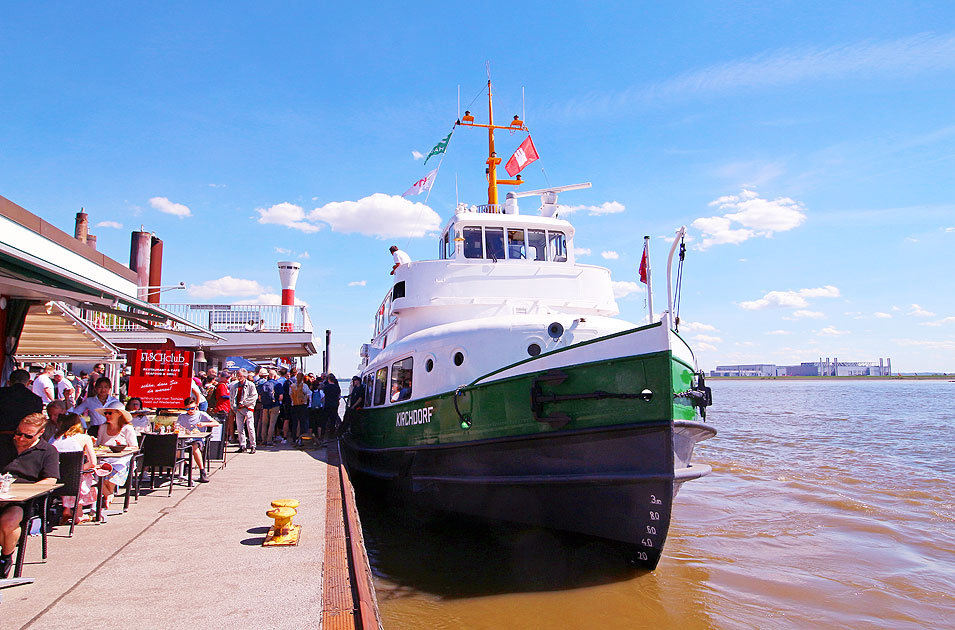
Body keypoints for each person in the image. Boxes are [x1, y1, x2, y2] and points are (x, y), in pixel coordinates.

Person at [0, 413, 59, 578]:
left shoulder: (47, 451)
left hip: (23, 501)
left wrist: (27, 490)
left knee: (8, 521)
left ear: (40, 433)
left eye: (27, 436)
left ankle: (5, 558)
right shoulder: (4, 444)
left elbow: (50, 479)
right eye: (18, 433)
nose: (20, 438)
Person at [51, 412, 97, 525]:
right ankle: (78, 514)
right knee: (84, 475)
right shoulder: (84, 438)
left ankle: (67, 508)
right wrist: (78, 470)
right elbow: (92, 463)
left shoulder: (53, 438)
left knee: (70, 474)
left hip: (55, 477)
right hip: (73, 480)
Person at [95, 401, 138, 510]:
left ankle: (107, 495)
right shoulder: (103, 427)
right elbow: (98, 445)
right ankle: (108, 494)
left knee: (114, 469)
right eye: (106, 414)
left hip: (122, 459)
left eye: (110, 413)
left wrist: (122, 447)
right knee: (95, 470)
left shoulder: (127, 428)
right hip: (104, 457)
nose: (107, 416)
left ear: (119, 414)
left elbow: (135, 447)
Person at [175, 397, 218, 483]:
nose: (190, 411)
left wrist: (204, 424)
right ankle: (185, 465)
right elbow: (177, 426)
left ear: (196, 407)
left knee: (195, 448)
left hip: (197, 439)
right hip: (185, 439)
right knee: (174, 449)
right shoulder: (182, 416)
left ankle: (202, 471)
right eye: (188, 409)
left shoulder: (201, 414)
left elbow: (216, 423)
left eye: (192, 408)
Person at [0, 369, 43, 433]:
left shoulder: (2, 393)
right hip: (23, 437)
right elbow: (37, 422)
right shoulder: (36, 399)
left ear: (9, 382)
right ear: (28, 382)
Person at [230, 369, 257, 454]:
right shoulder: (235, 385)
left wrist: (244, 403)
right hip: (238, 409)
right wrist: (234, 407)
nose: (239, 378)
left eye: (240, 376)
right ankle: (242, 445)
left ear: (245, 376)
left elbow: (254, 396)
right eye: (238, 376)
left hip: (248, 408)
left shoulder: (250, 385)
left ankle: (253, 445)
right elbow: (232, 397)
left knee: (250, 427)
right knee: (240, 428)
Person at [258, 370, 281, 446]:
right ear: (275, 376)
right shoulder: (278, 384)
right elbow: (281, 397)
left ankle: (263, 440)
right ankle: (269, 440)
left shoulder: (264, 384)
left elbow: (260, 397)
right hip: (275, 405)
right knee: (272, 424)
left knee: (264, 424)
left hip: (265, 406)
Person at [288, 372, 311, 446]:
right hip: (302, 405)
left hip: (294, 405)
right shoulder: (304, 386)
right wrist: (305, 400)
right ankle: (301, 438)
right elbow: (308, 394)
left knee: (294, 423)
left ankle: (294, 438)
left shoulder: (292, 386)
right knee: (302, 423)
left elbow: (290, 395)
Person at [321, 373, 341, 445]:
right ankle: (331, 434)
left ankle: (322, 434)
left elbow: (323, 396)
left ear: (328, 380)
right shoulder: (337, 387)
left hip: (327, 405)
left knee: (324, 420)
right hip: (334, 405)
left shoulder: (326, 387)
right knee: (333, 420)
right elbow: (338, 396)